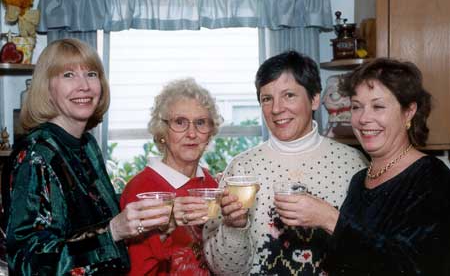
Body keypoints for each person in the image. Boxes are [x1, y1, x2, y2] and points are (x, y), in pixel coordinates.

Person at [2, 38, 172, 275]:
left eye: (91, 74)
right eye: (68, 75)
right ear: (46, 88)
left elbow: (96, 213)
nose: (84, 86)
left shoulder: (87, 144)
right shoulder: (35, 156)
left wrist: (152, 217)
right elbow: (28, 264)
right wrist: (112, 231)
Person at [274, 58, 450, 275]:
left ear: (409, 111)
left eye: (378, 106)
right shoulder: (360, 179)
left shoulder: (432, 177)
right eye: (357, 107)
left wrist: (329, 219)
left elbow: (416, 267)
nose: (364, 118)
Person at [203, 51, 367, 275]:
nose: (276, 109)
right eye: (267, 98)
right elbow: (225, 270)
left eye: (289, 95)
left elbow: (372, 256)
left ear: (315, 99)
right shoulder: (240, 169)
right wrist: (235, 227)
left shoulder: (353, 164)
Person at [120, 78, 223, 275]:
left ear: (209, 132)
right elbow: (138, 270)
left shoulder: (211, 185)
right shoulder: (141, 190)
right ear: (162, 132)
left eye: (200, 123)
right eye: (180, 122)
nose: (191, 133)